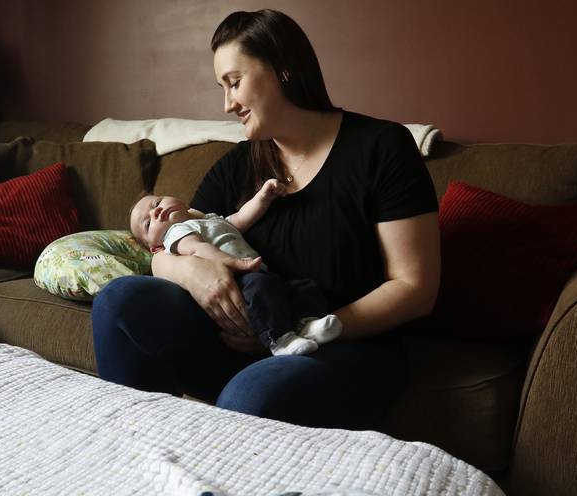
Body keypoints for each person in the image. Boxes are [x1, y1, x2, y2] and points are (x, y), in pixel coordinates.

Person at [92, 9, 440, 429]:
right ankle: (136, 459)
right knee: (119, 300)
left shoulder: (381, 148)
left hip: (342, 345)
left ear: (284, 70)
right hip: (238, 341)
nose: (227, 104)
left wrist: (303, 330)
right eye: (222, 87)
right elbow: (169, 248)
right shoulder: (236, 166)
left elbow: (415, 288)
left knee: (249, 396)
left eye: (234, 83)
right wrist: (194, 277)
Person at [129, 180, 343, 356]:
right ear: (156, 246)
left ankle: (306, 324)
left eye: (156, 202)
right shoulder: (175, 234)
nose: (156, 212)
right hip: (235, 280)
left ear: (182, 202)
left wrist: (263, 197)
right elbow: (198, 249)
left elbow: (240, 219)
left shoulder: (209, 219)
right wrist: (234, 262)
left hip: (256, 273)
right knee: (262, 292)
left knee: (301, 289)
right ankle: (281, 341)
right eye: (148, 224)